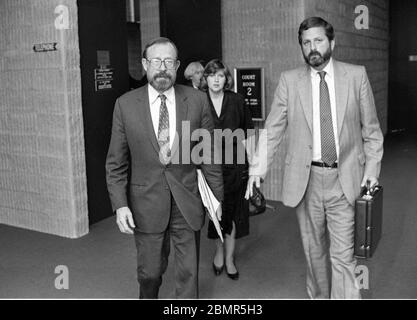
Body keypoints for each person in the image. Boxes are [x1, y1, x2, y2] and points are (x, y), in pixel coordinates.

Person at [245, 17, 384, 299]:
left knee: (343, 257)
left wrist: (372, 169)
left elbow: (372, 132)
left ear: (332, 42)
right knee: (314, 254)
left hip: (344, 177)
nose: (313, 48)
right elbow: (272, 131)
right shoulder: (289, 81)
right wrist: (257, 170)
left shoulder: (356, 76)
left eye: (318, 40)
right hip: (306, 182)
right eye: (306, 43)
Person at [105, 37, 223, 299]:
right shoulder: (125, 105)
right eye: (156, 61)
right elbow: (116, 162)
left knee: (188, 275)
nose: (162, 67)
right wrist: (120, 204)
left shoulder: (197, 101)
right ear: (145, 64)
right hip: (145, 203)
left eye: (168, 61)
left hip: (187, 200)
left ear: (177, 65)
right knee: (150, 273)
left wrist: (216, 199)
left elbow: (210, 154)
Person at [201, 59, 254, 280]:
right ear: (206, 78)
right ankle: (219, 252)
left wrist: (253, 169)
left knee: (232, 214)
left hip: (235, 166)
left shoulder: (237, 100)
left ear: (226, 79)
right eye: (212, 75)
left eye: (220, 75)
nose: (216, 79)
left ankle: (230, 258)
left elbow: (249, 133)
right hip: (208, 167)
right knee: (215, 214)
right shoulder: (198, 101)